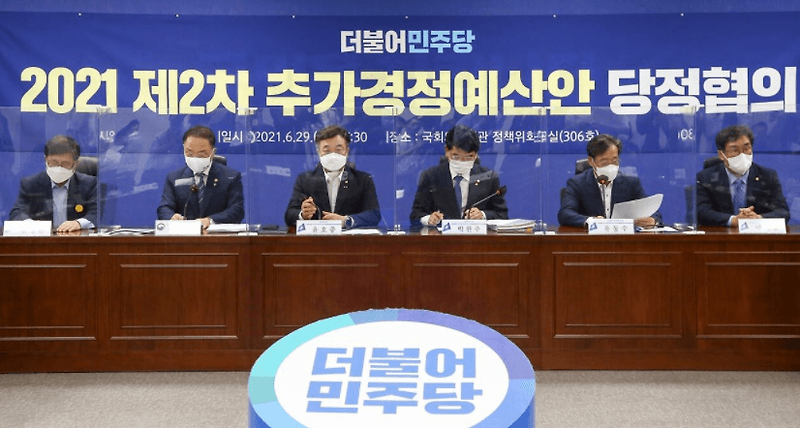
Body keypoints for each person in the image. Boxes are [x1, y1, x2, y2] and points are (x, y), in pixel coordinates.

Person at [284, 125, 381, 228]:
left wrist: (346, 221)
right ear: (318, 152)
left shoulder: (363, 180)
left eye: (338, 150)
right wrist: (303, 215)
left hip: (349, 237)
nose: (333, 155)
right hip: (317, 237)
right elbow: (290, 214)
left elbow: (374, 215)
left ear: (347, 151)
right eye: (327, 151)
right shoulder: (304, 180)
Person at [410, 124, 508, 227]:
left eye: (469, 157)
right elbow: (415, 215)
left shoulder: (488, 178)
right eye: (456, 157)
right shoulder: (431, 176)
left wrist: (482, 215)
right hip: (441, 235)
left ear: (476, 155)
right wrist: (429, 219)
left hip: (476, 235)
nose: (462, 162)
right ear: (447, 151)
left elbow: (502, 215)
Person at [558, 133, 661, 228]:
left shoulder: (631, 183)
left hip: (623, 238)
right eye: (604, 162)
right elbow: (565, 213)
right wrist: (591, 221)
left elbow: (651, 211)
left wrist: (653, 220)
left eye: (614, 161)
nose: (610, 166)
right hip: (591, 238)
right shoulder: (577, 183)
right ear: (591, 161)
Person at [696, 125, 789, 227]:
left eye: (746, 148)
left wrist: (758, 219)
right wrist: (734, 220)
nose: (742, 155)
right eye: (735, 150)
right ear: (721, 155)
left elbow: (783, 212)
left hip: (757, 234)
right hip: (721, 234)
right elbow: (701, 212)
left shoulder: (767, 176)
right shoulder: (705, 178)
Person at [157, 125, 244, 228]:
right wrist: (171, 217)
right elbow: (164, 208)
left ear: (212, 152)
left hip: (217, 235)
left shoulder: (231, 177)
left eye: (201, 155)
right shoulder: (174, 177)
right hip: (184, 235)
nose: (195, 158)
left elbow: (237, 210)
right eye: (190, 153)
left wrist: (210, 221)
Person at [9, 135, 97, 232]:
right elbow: (17, 212)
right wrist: (31, 224)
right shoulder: (30, 184)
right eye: (54, 162)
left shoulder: (89, 183)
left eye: (65, 164)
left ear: (75, 164)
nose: (59, 168)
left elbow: (96, 213)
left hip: (75, 238)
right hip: (43, 239)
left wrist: (79, 223)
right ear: (46, 160)